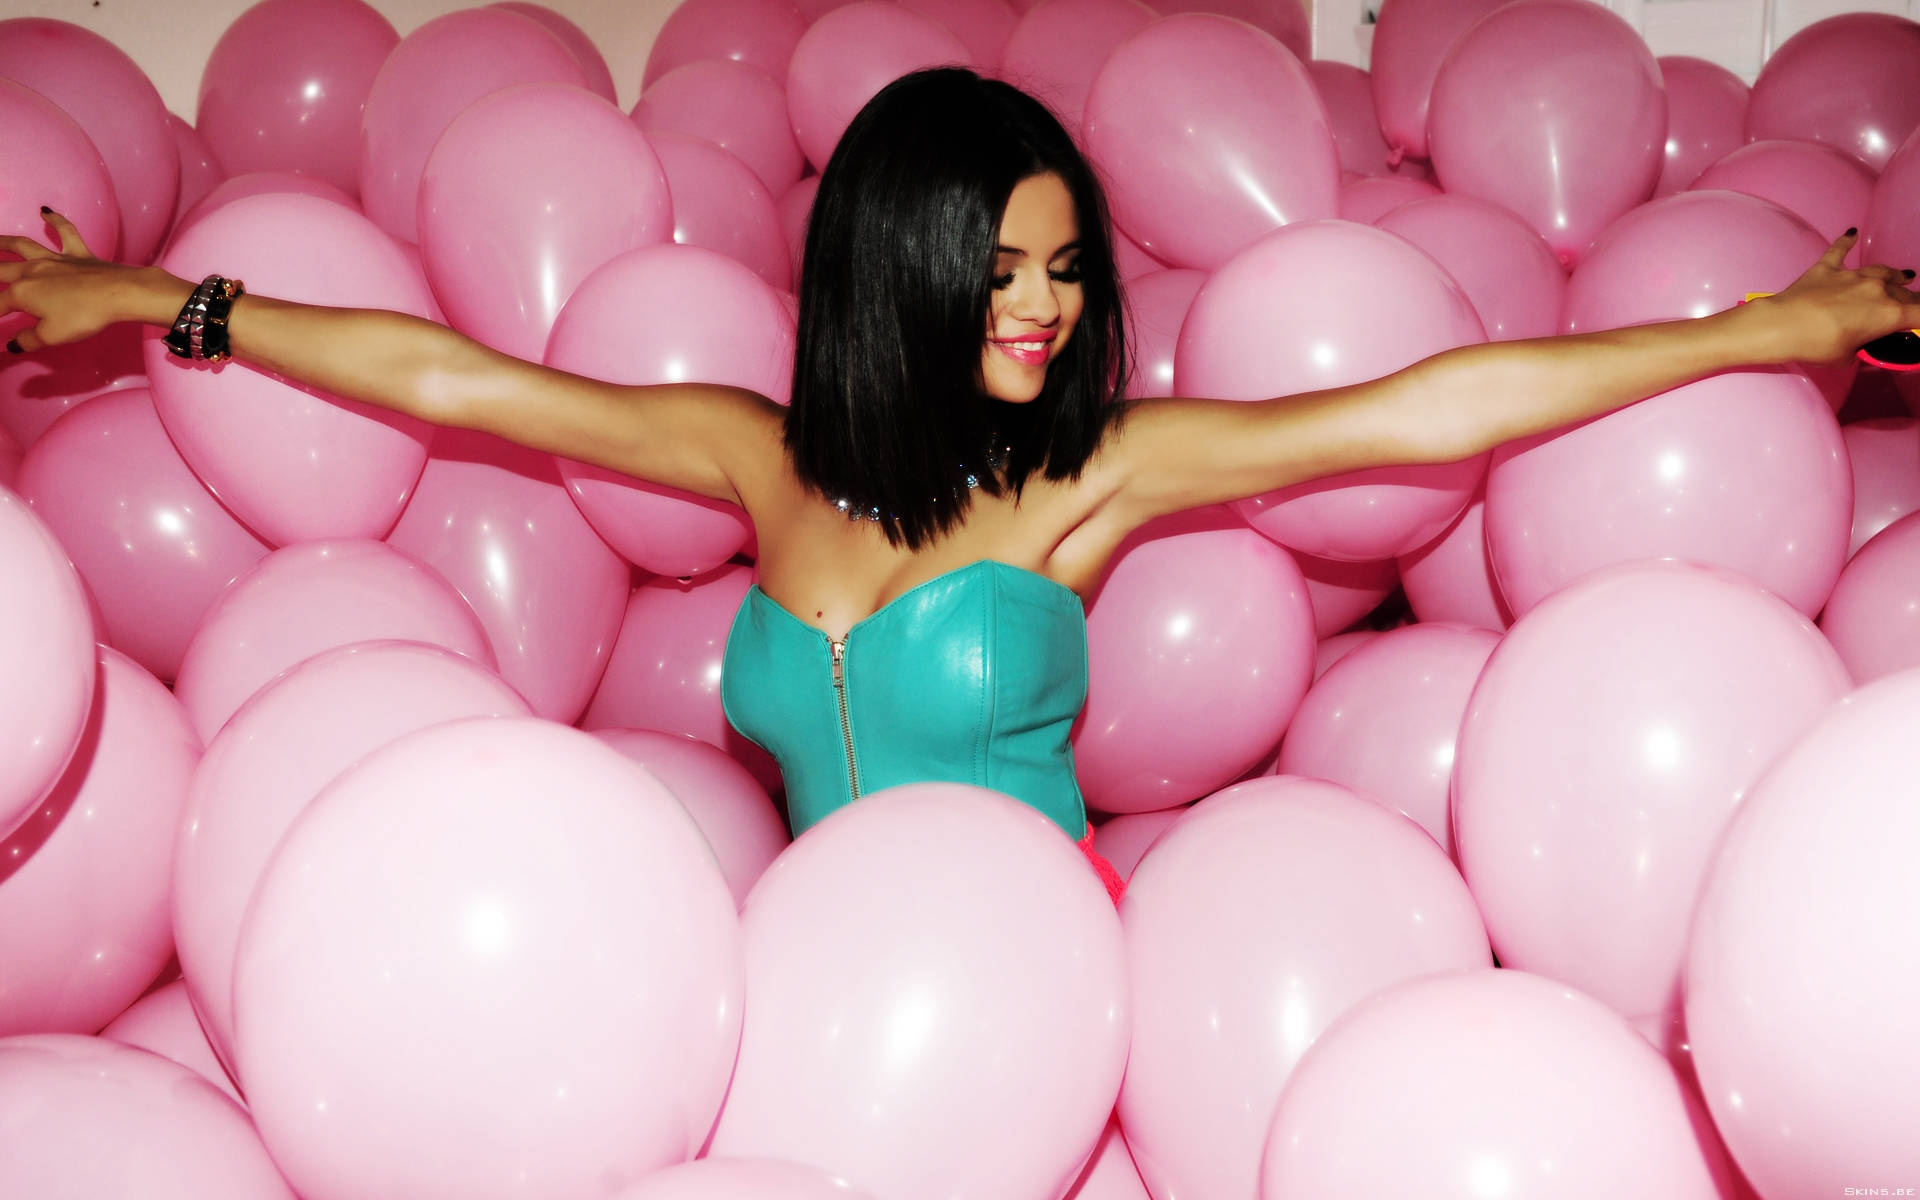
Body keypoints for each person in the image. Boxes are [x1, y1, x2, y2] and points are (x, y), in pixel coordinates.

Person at [4, 68, 1916, 877]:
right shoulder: (752, 459)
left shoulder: (1100, 471)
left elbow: (1432, 405)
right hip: (824, 984)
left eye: (1064, 269)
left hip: (1030, 977)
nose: (1042, 307)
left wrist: (1764, 329)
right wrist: (159, 303)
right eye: (999, 268)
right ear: (898, 268)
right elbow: (453, 376)